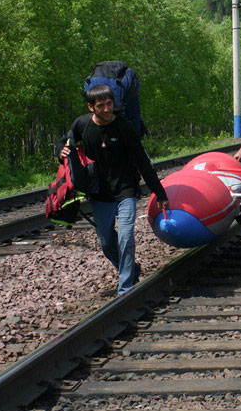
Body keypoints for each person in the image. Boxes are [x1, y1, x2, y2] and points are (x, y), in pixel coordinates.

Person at [56, 84, 169, 295]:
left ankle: (125, 288)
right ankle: (130, 270)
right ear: (91, 107)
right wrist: (58, 150)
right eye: (101, 106)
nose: (107, 109)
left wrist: (160, 193)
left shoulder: (124, 127)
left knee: (125, 237)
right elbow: (65, 140)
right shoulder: (82, 125)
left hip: (126, 189)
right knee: (107, 242)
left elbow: (143, 162)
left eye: (109, 104)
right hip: (99, 192)